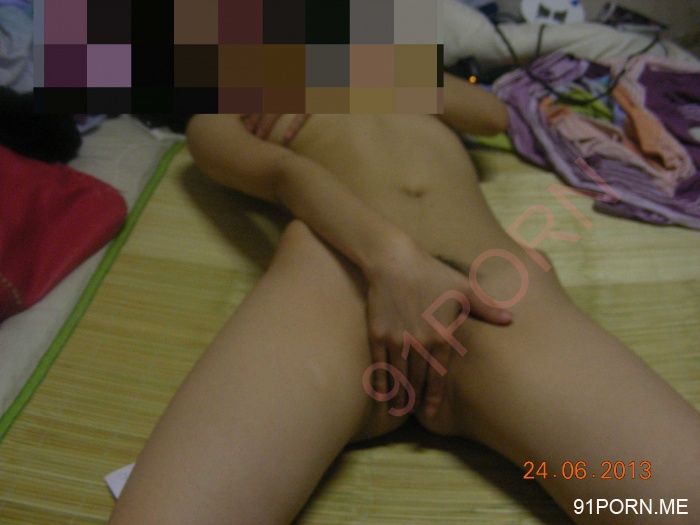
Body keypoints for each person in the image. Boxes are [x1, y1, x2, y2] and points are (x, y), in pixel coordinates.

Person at [108, 74, 700, 524]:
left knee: (674, 501)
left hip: (489, 291)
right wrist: (392, 260)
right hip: (335, 287)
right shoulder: (220, 116)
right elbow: (287, 179)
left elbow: (490, 113)